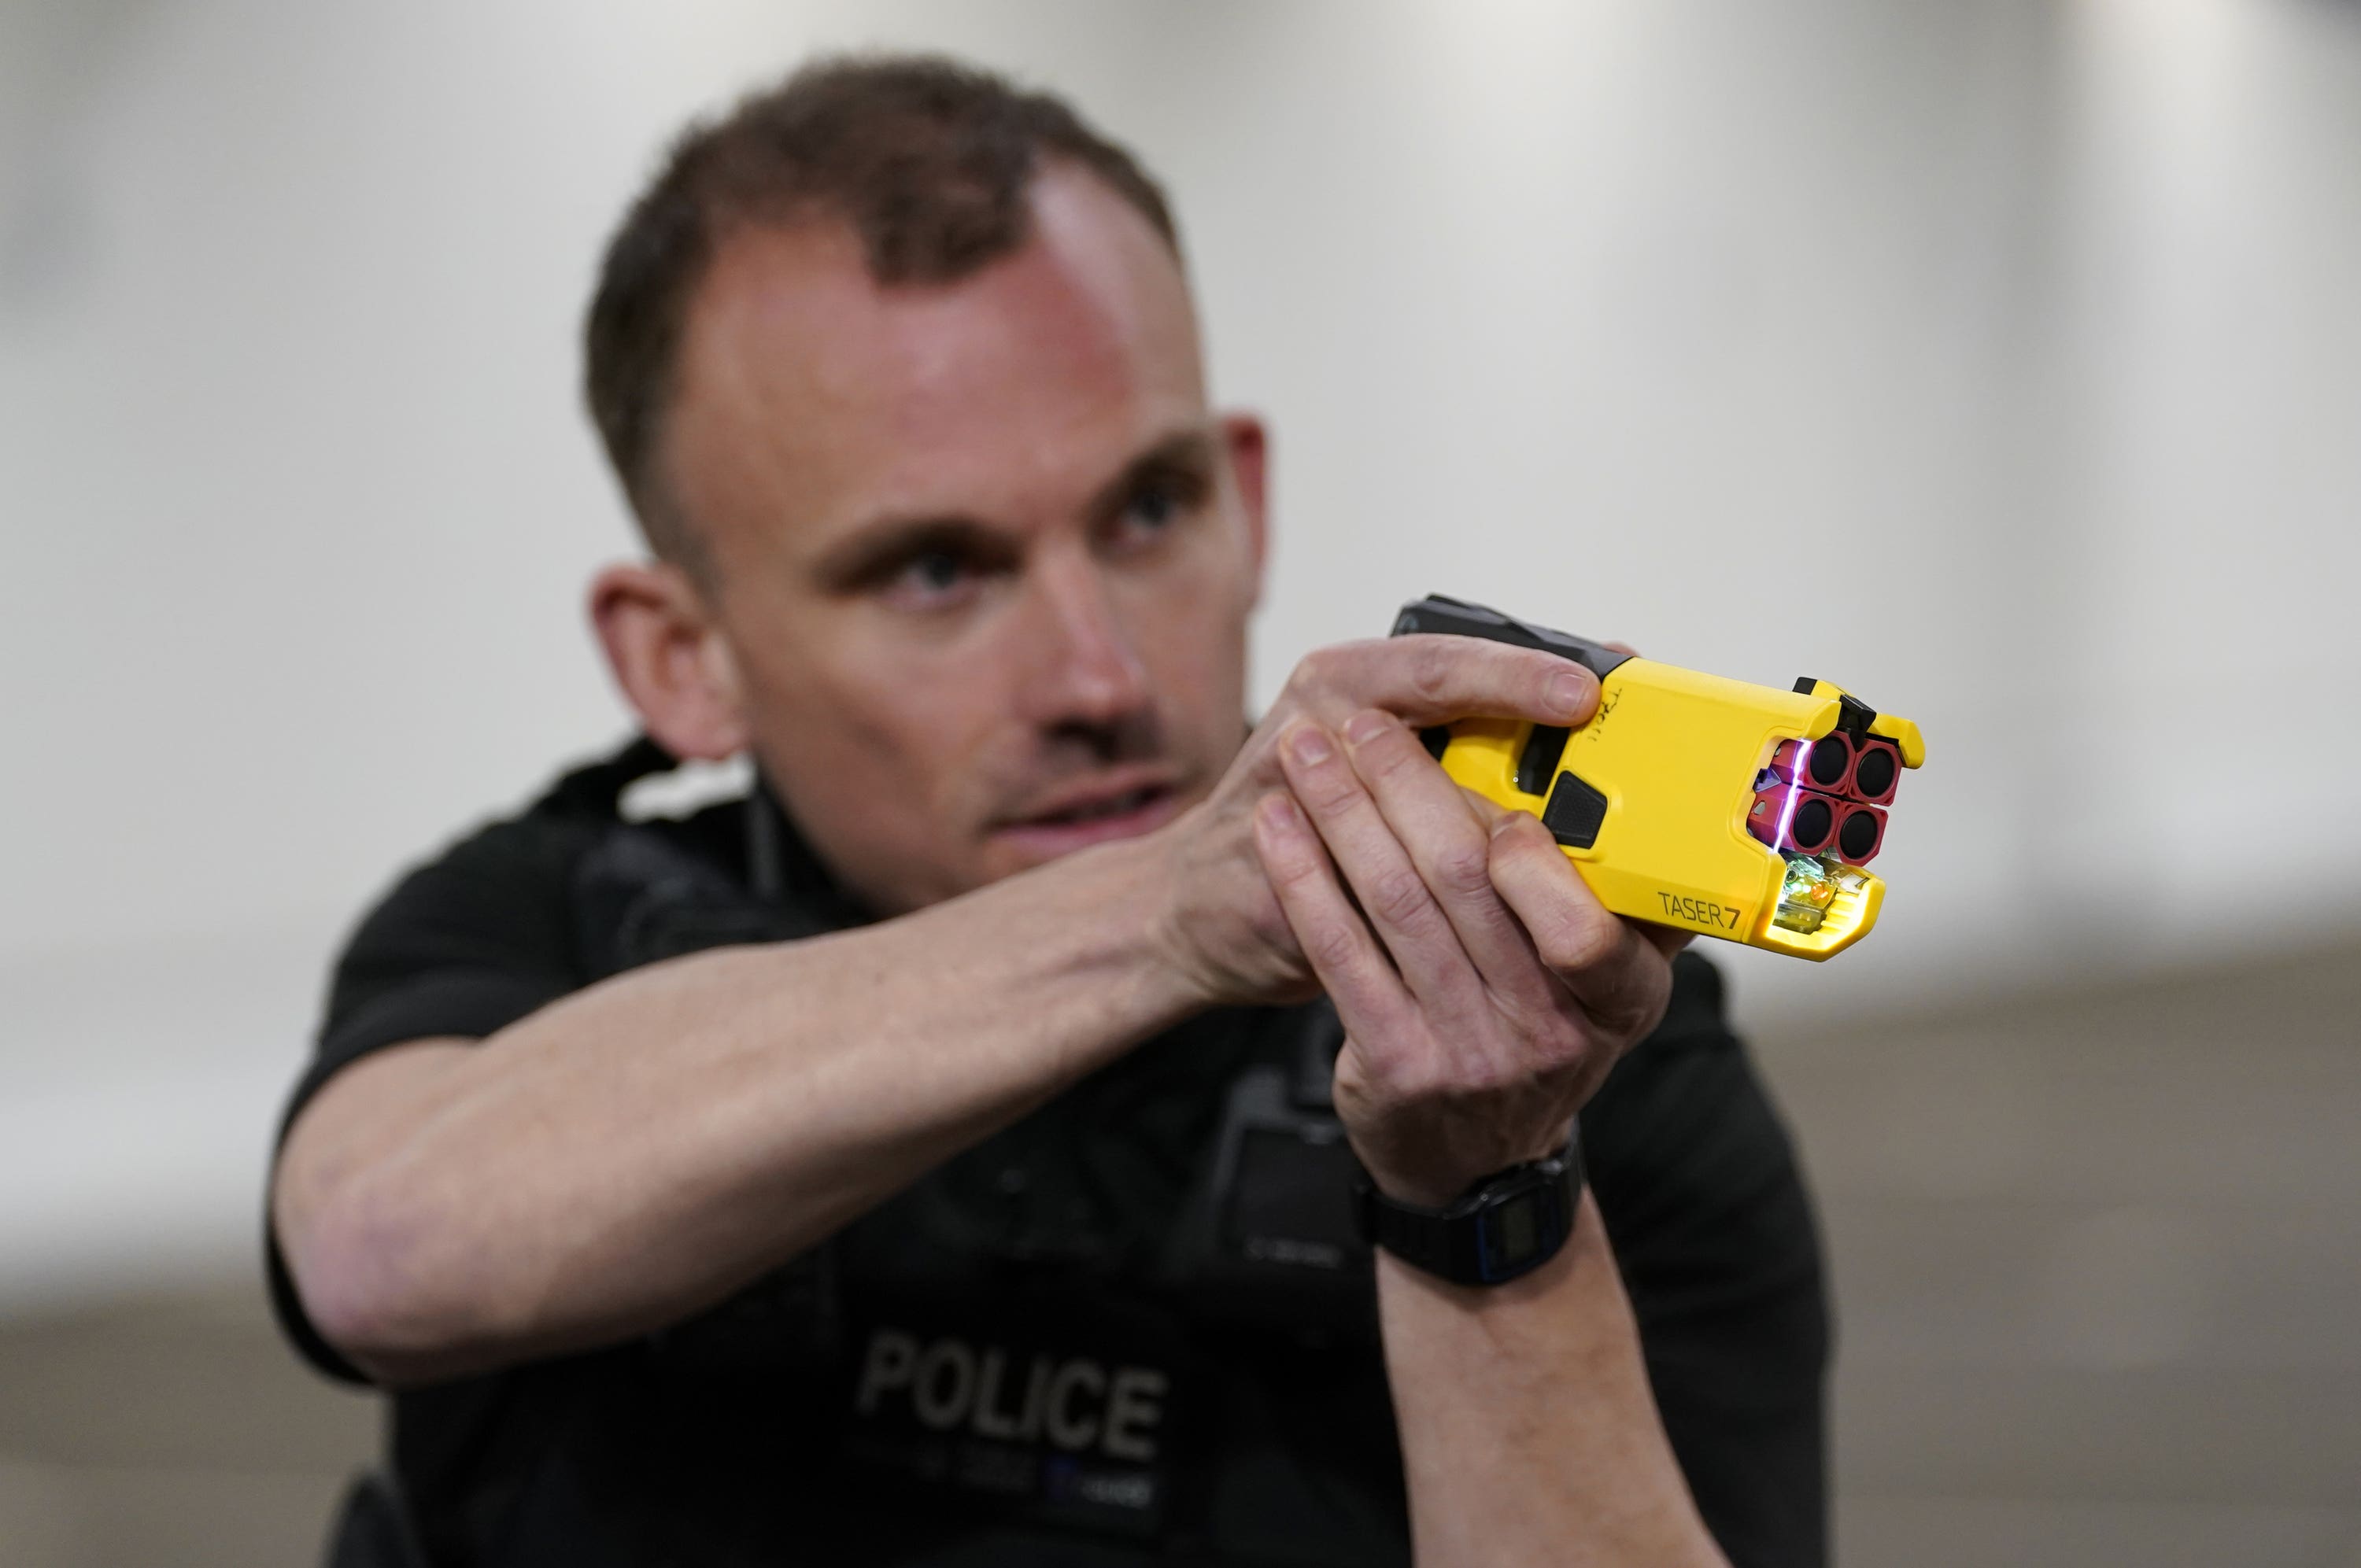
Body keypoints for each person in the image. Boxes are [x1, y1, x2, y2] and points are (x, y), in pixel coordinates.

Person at [267, 54, 1827, 1567]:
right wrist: (1163, 914)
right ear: (684, 661)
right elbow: (377, 1250)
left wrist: (1487, 1202)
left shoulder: (1560, 1046)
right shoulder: (546, 926)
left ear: (1249, 501)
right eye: (936, 571)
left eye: (1150, 511)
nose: (1100, 670)